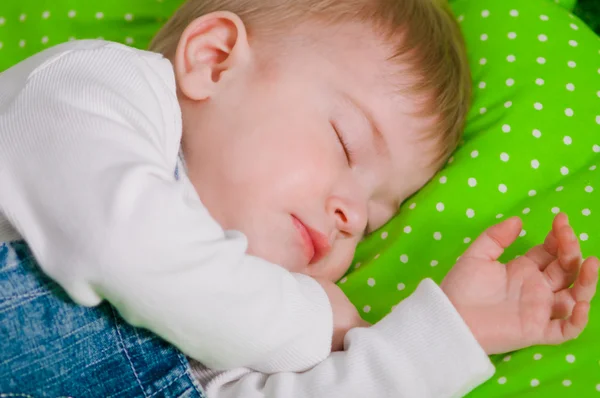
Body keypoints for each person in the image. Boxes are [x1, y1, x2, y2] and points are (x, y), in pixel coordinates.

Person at [0, 0, 597, 396]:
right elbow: (121, 245)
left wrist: (451, 333)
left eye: (375, 218)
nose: (353, 216)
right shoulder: (93, 90)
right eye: (346, 143)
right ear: (214, 60)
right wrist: (315, 321)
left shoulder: (230, 330)